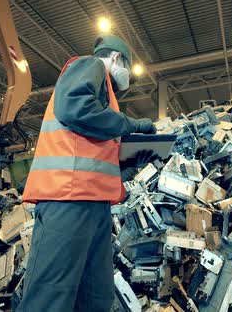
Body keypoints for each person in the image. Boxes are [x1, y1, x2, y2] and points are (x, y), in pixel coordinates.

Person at [17, 34, 156, 311]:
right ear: (117, 58)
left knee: (95, 294)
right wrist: (133, 125)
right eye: (127, 67)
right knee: (51, 293)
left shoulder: (105, 100)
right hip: (68, 197)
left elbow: (92, 152)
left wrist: (129, 164)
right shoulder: (90, 66)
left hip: (94, 204)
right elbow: (75, 109)